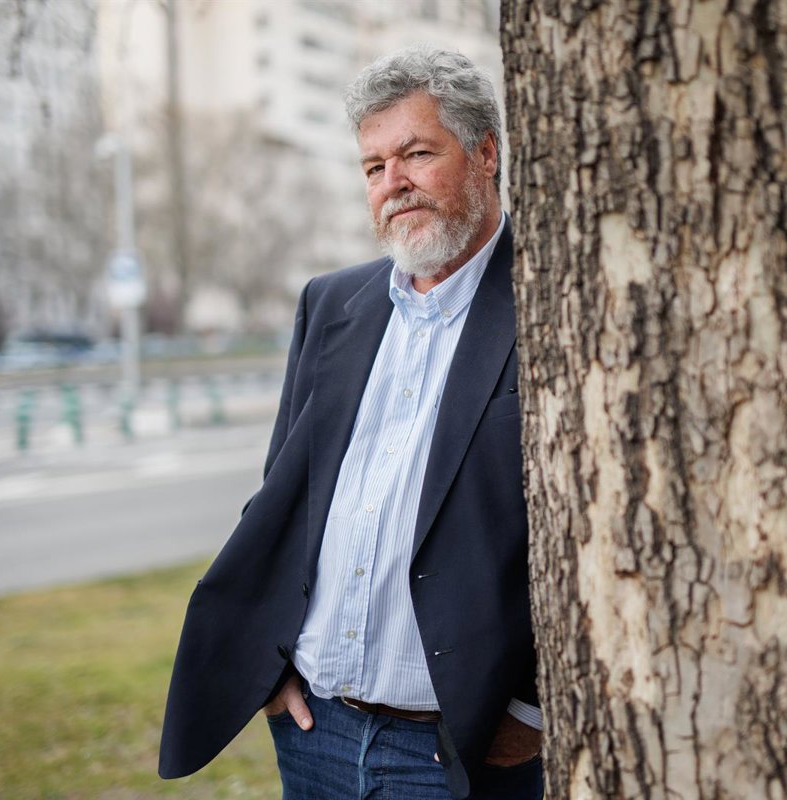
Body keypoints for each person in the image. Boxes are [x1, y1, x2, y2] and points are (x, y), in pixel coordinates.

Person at [157, 46, 543, 799]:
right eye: (373, 167)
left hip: (460, 750)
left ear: (486, 154)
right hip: (316, 734)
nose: (393, 182)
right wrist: (271, 668)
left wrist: (530, 708)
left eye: (417, 154)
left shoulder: (548, 300)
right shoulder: (331, 303)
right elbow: (285, 503)